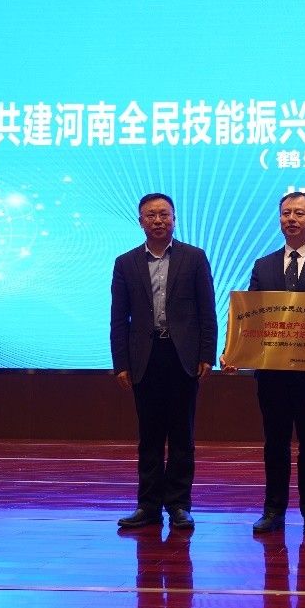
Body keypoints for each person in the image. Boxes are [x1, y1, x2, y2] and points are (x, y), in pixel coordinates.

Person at [222, 191, 305, 535]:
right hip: (272, 371)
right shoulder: (263, 265)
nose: (291, 219)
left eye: (299, 213)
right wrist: (233, 351)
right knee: (275, 443)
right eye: (286, 213)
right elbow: (249, 316)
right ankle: (273, 511)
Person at [111, 192, 217, 529]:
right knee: (150, 436)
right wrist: (120, 362)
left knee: (182, 434)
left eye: (164, 214)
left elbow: (207, 310)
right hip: (145, 357)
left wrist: (207, 354)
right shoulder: (126, 262)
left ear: (174, 219)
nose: (158, 220)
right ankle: (148, 506)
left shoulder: (194, 257)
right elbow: (118, 317)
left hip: (182, 356)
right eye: (151, 215)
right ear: (140, 221)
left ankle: (179, 505)